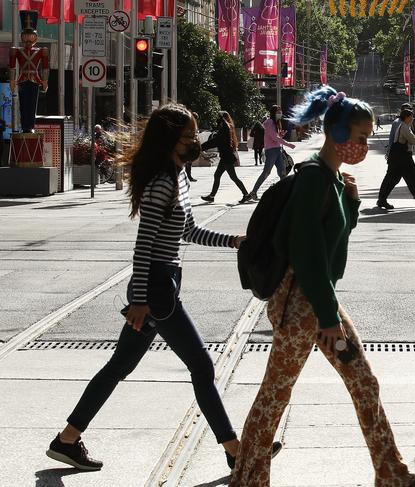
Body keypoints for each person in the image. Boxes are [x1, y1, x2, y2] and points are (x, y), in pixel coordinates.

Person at [230, 86, 415, 487]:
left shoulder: (330, 179)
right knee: (275, 395)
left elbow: (334, 237)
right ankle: (247, 480)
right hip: (303, 304)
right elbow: (307, 252)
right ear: (336, 135)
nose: (365, 145)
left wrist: (350, 202)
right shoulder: (314, 180)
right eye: (361, 137)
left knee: (363, 383)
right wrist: (328, 317)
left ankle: (392, 475)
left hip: (318, 300)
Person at [45, 104, 281, 472]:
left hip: (161, 284)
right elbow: (143, 247)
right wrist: (139, 300)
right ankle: (236, 450)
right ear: (170, 139)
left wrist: (235, 241)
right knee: (202, 366)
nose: (194, 142)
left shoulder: (178, 176)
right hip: (157, 289)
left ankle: (67, 439)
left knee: (119, 366)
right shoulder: (162, 183)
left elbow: (188, 231)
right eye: (188, 137)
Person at [377, 108, 415, 209]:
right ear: (406, 117)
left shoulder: (405, 126)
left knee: (393, 179)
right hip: (402, 157)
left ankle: (382, 200)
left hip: (399, 157)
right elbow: (412, 140)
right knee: (414, 178)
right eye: (411, 116)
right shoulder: (404, 127)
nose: (413, 118)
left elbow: (410, 138)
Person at [242, 105, 296, 202]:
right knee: (266, 172)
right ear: (273, 113)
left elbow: (275, 137)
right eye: (278, 111)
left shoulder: (275, 123)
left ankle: (284, 194)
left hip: (277, 150)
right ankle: (253, 192)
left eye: (280, 111)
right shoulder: (270, 123)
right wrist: (288, 144)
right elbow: (274, 138)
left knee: (282, 173)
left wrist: (280, 135)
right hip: (271, 151)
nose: (280, 113)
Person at [200, 111, 249, 204]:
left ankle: (246, 194)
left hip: (227, 157)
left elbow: (215, 141)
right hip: (225, 156)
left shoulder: (225, 128)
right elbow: (216, 141)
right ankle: (212, 196)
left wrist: (201, 147)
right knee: (217, 175)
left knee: (233, 177)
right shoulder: (226, 127)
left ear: (222, 118)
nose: (217, 120)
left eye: (218, 117)